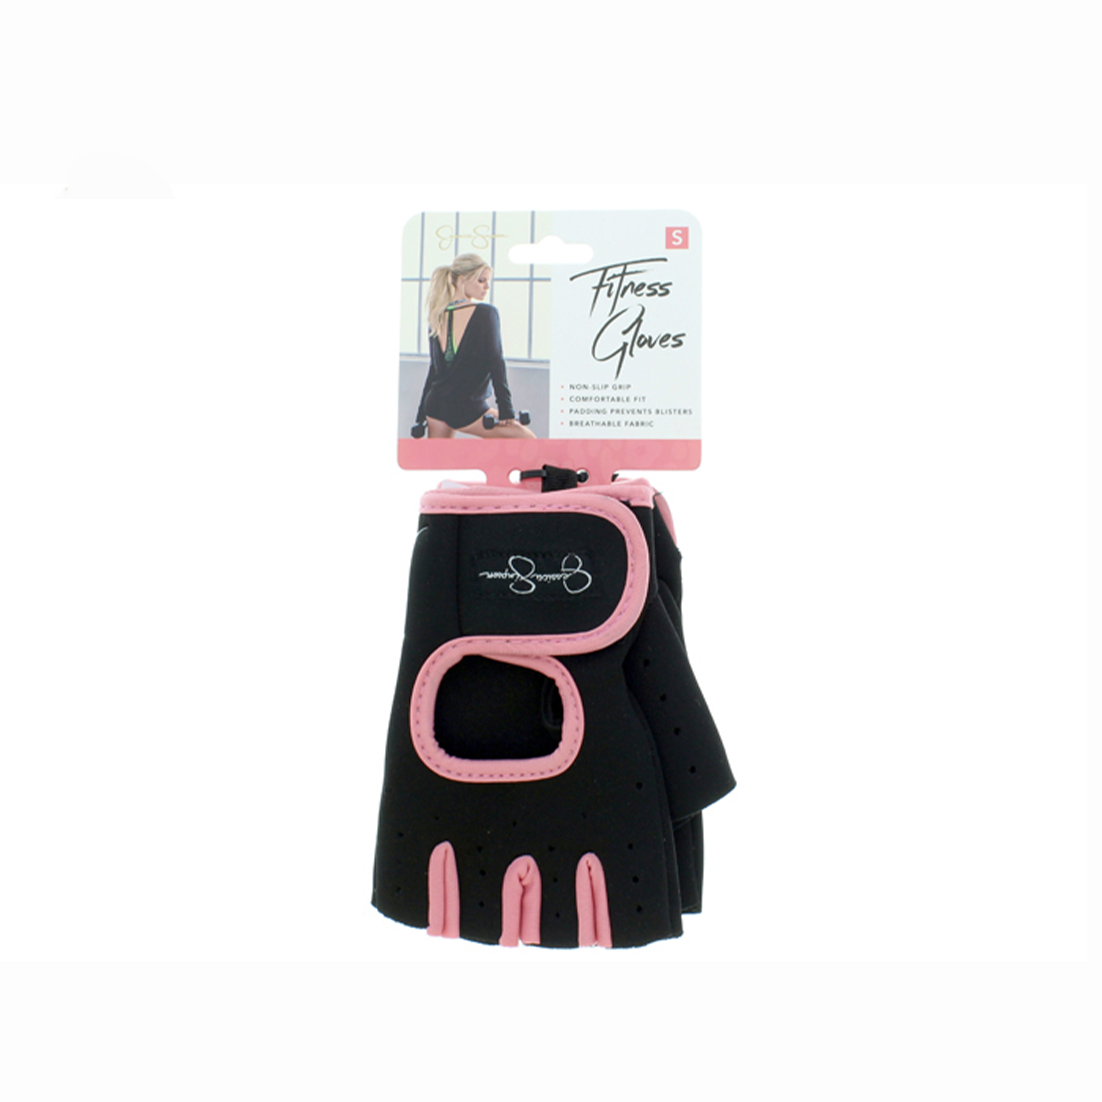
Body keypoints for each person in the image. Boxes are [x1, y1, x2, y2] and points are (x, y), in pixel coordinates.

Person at [414, 254, 536, 439]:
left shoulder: (436, 316)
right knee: (526, 438)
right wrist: (506, 409)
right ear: (463, 280)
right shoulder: (486, 313)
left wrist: (421, 415)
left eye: (487, 281)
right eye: (481, 281)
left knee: (438, 457)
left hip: (435, 405)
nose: (486, 287)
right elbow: (496, 361)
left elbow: (434, 371)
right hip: (466, 408)